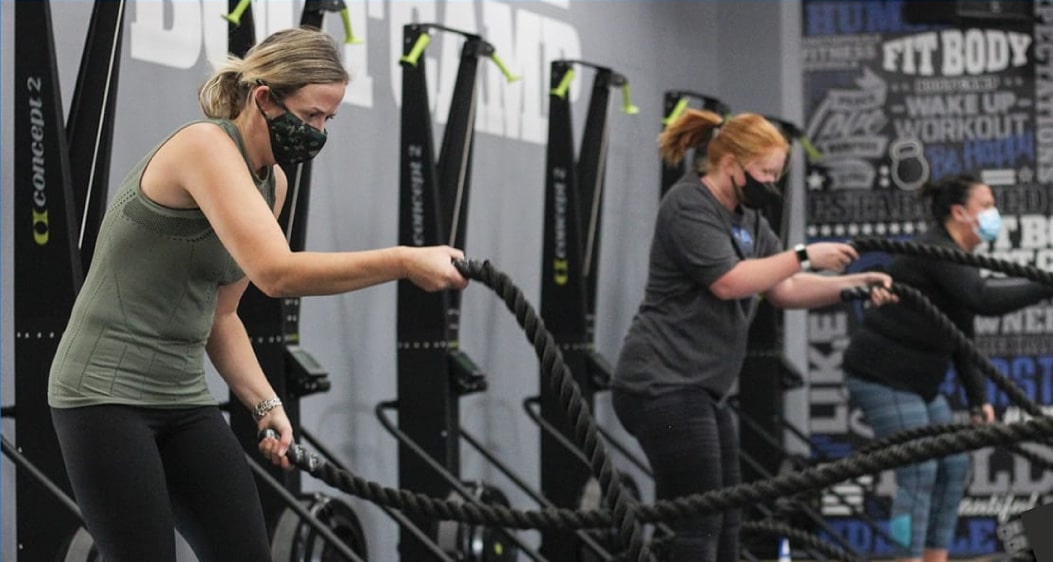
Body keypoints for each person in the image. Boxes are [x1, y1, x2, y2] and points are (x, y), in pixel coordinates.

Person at [47, 27, 466, 562]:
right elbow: (277, 274)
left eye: (328, 120)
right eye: (311, 115)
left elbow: (223, 316)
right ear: (265, 98)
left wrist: (266, 403)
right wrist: (405, 261)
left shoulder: (274, 183)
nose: (317, 132)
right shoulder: (204, 147)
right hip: (102, 394)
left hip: (181, 396)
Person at [609, 109, 895, 562]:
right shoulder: (688, 206)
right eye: (765, 173)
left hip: (700, 391)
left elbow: (782, 288)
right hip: (658, 387)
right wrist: (803, 254)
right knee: (699, 521)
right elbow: (731, 281)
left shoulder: (748, 222)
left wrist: (854, 287)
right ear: (731, 165)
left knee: (727, 518)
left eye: (776, 174)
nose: (771, 183)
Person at [842, 174, 1052, 562]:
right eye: (986, 205)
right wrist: (1047, 284)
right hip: (882, 375)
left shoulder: (959, 256)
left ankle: (935, 558)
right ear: (959, 212)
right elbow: (983, 299)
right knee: (919, 471)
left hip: (921, 385)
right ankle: (907, 559)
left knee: (954, 465)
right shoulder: (936, 250)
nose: (994, 214)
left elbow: (960, 332)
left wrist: (978, 400)